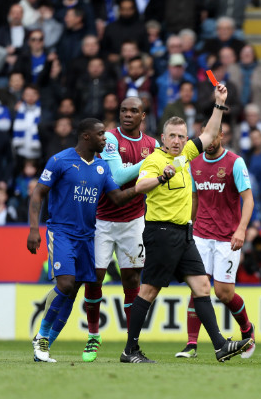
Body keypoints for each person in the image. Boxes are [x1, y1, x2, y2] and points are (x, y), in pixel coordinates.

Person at [123, 83, 253, 363]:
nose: (177, 141)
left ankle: (219, 345)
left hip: (184, 235)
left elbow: (208, 135)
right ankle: (130, 349)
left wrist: (219, 104)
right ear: (162, 138)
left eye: (181, 136)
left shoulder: (185, 156)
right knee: (148, 291)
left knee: (203, 288)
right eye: (172, 136)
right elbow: (141, 184)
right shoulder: (156, 160)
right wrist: (162, 177)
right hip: (161, 232)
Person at [27, 118, 139, 362]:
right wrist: (34, 229)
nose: (105, 138)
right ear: (86, 136)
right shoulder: (60, 161)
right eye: (101, 134)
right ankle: (42, 337)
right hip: (62, 232)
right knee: (66, 284)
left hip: (88, 236)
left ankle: (43, 347)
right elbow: (38, 192)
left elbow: (118, 198)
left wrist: (147, 185)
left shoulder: (101, 167)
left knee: (73, 290)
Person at [81, 96, 159, 362]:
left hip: (134, 221)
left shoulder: (153, 145)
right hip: (101, 219)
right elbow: (117, 177)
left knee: (132, 282)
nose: (127, 114)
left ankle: (131, 344)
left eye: (133, 111)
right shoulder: (110, 139)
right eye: (123, 110)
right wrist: (152, 163)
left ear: (143, 116)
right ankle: (93, 335)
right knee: (95, 279)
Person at [175, 119, 256, 359]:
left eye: (214, 137)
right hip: (200, 234)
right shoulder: (194, 161)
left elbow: (248, 200)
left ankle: (247, 329)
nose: (209, 141)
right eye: (205, 137)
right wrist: (187, 227)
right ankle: (191, 344)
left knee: (223, 293)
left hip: (227, 237)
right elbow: (195, 199)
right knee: (198, 288)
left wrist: (241, 230)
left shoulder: (235, 162)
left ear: (222, 135)